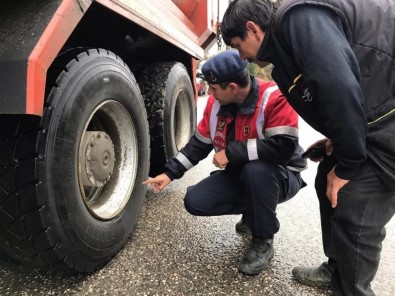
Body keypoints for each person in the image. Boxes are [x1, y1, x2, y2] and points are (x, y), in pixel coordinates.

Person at [221, 0, 395, 295]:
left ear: (253, 29)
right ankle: (335, 268)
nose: (241, 56)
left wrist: (350, 163)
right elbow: (341, 86)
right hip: (378, 116)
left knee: (354, 203)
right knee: (327, 173)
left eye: (239, 46)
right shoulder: (285, 46)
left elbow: (338, 86)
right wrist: (338, 142)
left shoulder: (298, 17)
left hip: (388, 127)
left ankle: (352, 289)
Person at [143, 50, 307, 276]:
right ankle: (253, 211)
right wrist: (169, 174)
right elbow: (198, 145)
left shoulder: (275, 99)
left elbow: (283, 148)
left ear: (232, 88)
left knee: (256, 171)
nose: (209, 92)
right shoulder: (215, 105)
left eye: (214, 87)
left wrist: (232, 152)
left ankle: (263, 240)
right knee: (195, 201)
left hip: (281, 176)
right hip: (242, 174)